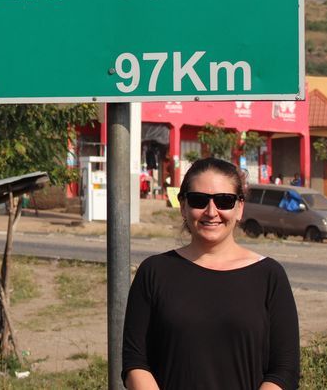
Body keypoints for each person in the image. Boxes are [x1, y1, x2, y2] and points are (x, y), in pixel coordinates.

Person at [122, 157, 299, 390]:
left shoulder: (269, 276)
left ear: (240, 208)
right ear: (183, 206)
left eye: (224, 201)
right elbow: (135, 362)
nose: (211, 211)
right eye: (199, 200)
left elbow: (285, 370)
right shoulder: (154, 271)